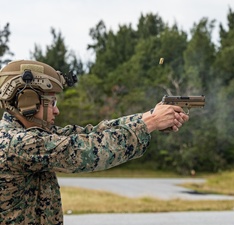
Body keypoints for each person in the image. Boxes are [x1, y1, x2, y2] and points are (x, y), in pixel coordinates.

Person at [0, 60, 189, 224]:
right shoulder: (20, 143)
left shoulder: (25, 135)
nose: (57, 111)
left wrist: (148, 117)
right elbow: (89, 150)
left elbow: (91, 133)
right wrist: (152, 123)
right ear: (28, 103)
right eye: (52, 103)